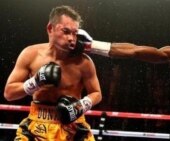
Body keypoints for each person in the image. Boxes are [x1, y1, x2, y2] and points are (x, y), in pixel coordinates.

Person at [4, 5, 102, 140]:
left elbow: (97, 93)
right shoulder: (30, 54)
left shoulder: (84, 62)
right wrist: (36, 82)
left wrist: (81, 105)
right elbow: (9, 93)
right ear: (50, 28)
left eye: (74, 33)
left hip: (73, 127)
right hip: (37, 125)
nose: (71, 38)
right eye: (66, 31)